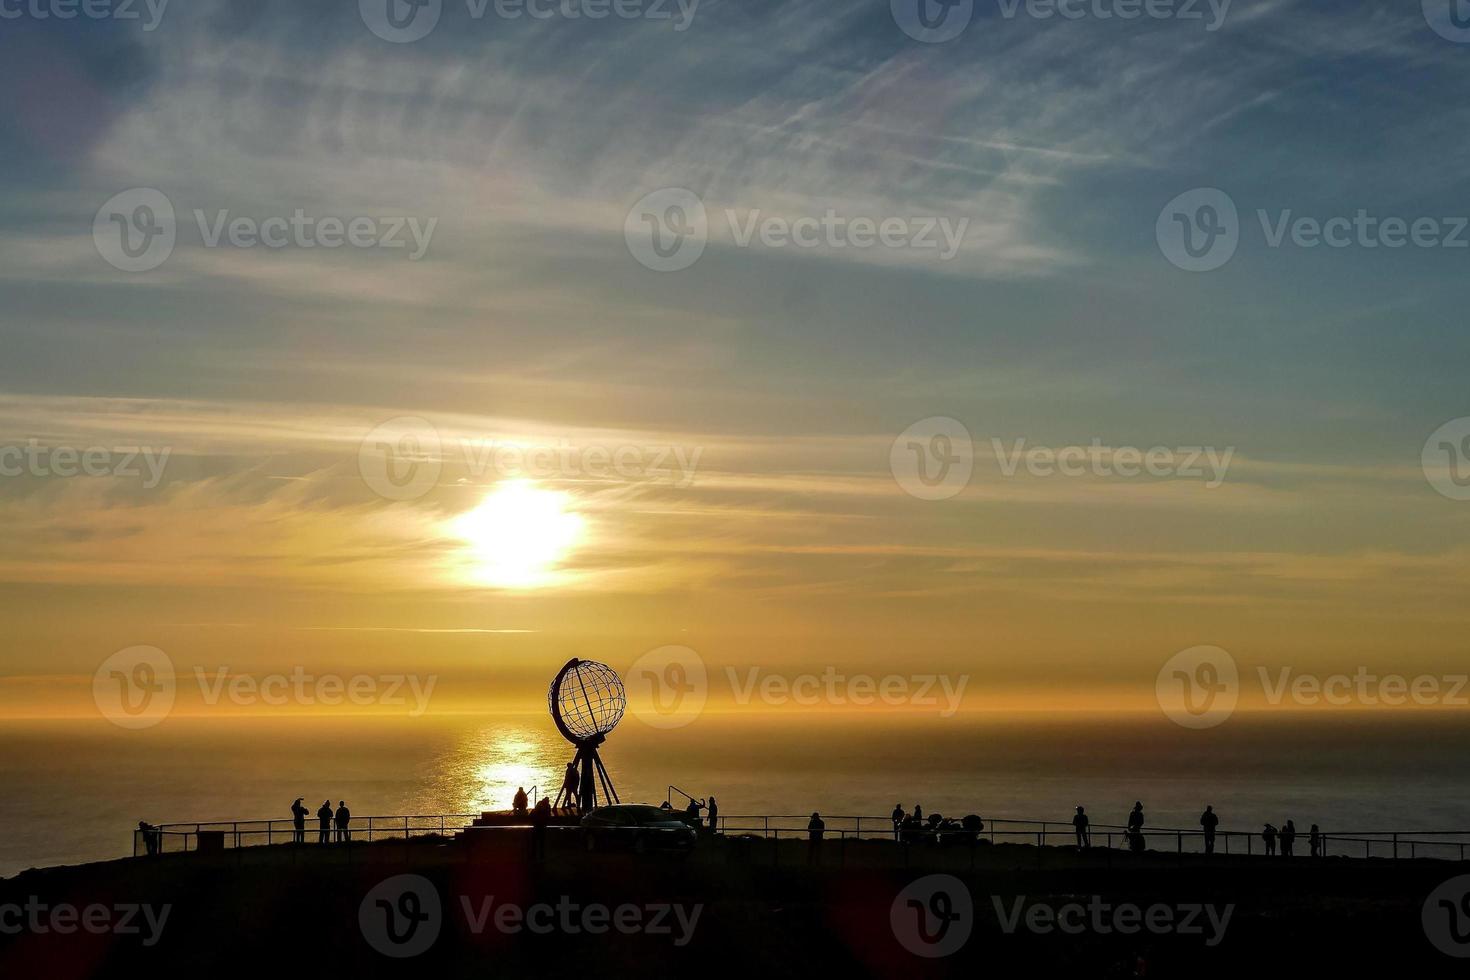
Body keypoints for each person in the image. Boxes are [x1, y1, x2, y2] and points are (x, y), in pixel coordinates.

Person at [531, 796, 551, 861]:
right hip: (542, 827)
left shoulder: (539, 804)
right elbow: (548, 815)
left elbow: (533, 813)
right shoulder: (547, 806)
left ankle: (534, 856)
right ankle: (541, 856)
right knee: (541, 843)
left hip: (536, 826)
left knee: (535, 843)